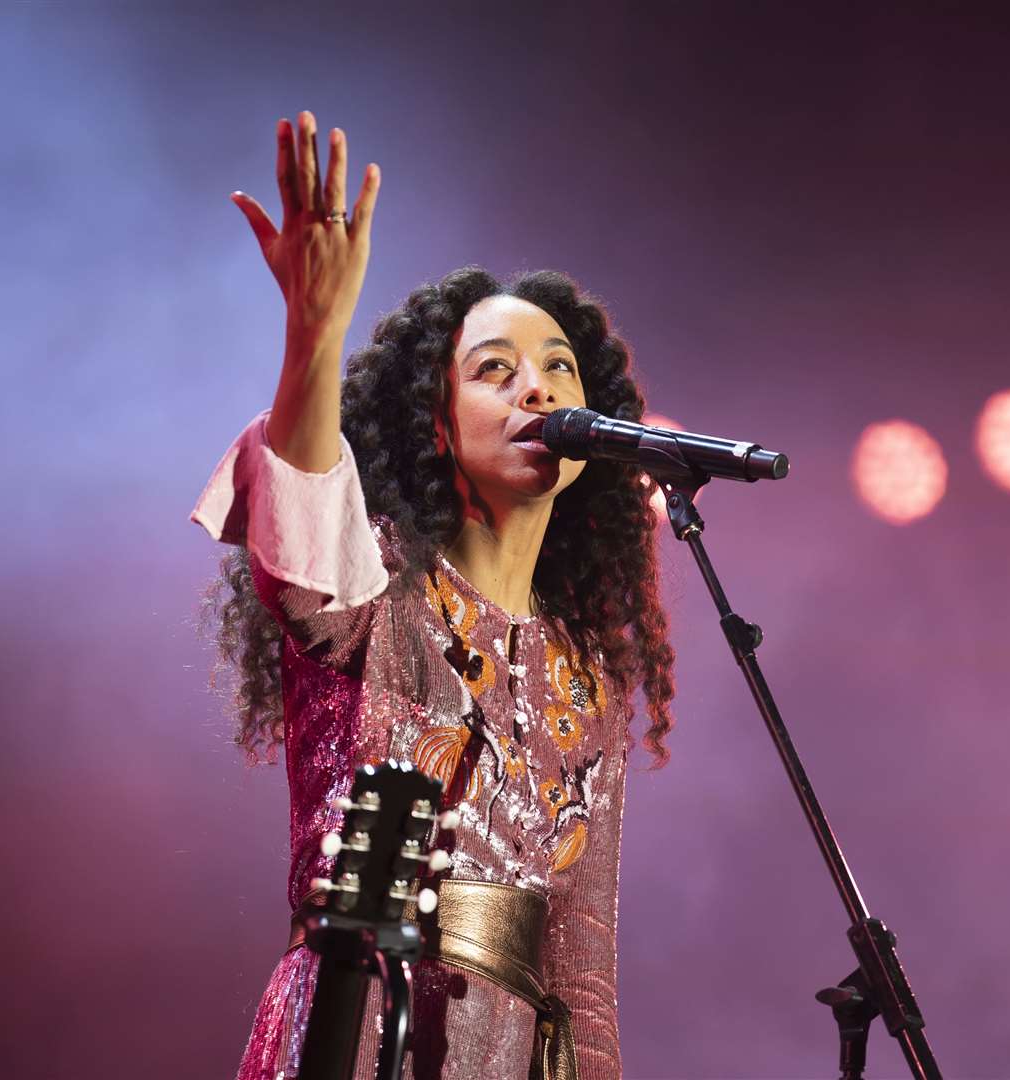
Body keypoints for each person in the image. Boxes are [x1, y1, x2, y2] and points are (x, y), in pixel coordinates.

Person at [192, 110, 675, 1080]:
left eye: (558, 370)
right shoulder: (379, 592)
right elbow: (299, 517)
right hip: (358, 1018)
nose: (538, 391)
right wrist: (314, 328)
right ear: (437, 424)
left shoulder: (591, 676)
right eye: (494, 372)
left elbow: (582, 970)